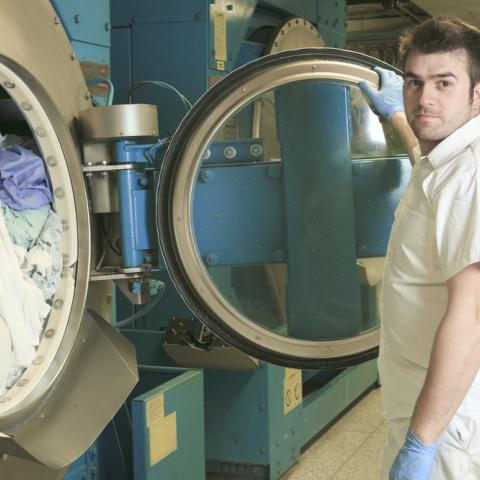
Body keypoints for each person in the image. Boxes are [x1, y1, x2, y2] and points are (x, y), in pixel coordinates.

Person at [358, 16, 480, 480]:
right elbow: (425, 163)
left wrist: (421, 441)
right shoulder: (445, 159)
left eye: (444, 83)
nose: (424, 98)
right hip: (424, 404)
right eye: (414, 82)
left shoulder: (471, 175)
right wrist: (395, 117)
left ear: (477, 94)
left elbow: (473, 317)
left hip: (448, 424)